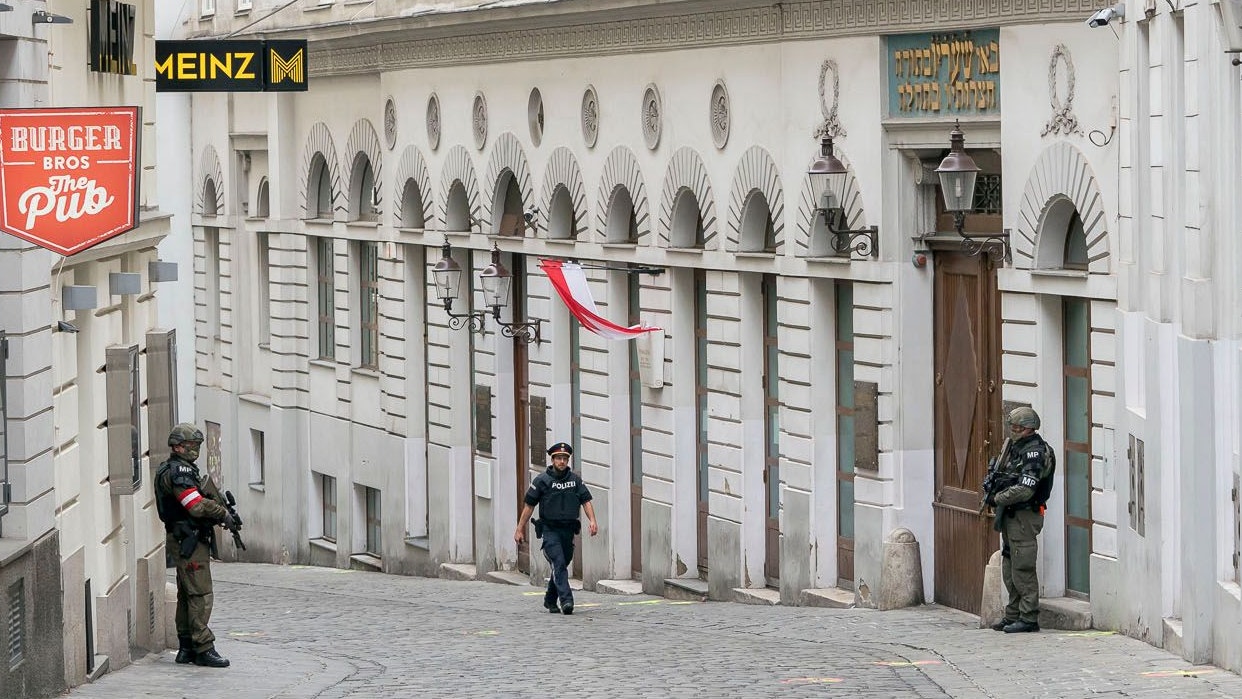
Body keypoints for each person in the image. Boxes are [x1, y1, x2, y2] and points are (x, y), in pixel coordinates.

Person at [154, 423, 238, 667]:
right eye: (191, 446)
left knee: (187, 594)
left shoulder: (175, 469)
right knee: (200, 594)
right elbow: (195, 505)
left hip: (185, 538)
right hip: (188, 539)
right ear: (179, 446)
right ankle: (203, 647)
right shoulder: (179, 471)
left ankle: (187, 647)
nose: (195, 450)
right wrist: (221, 513)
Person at [986, 407, 1057, 634]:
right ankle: (1013, 614)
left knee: (1022, 566)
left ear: (1028, 428)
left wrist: (999, 498)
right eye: (1012, 427)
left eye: (1017, 427)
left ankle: (1028, 617)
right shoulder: (1016, 448)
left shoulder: (1035, 452)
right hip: (1011, 514)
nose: (1013, 431)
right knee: (1009, 564)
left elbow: (1026, 489)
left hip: (1025, 515)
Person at [514, 442, 598, 615]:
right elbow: (529, 506)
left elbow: (586, 501)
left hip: (567, 531)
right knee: (559, 563)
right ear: (552, 460)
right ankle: (567, 601)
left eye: (565, 458)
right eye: (558, 458)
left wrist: (592, 520)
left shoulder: (575, 480)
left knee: (562, 564)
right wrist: (519, 528)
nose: (562, 461)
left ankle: (550, 599)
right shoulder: (541, 481)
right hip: (549, 530)